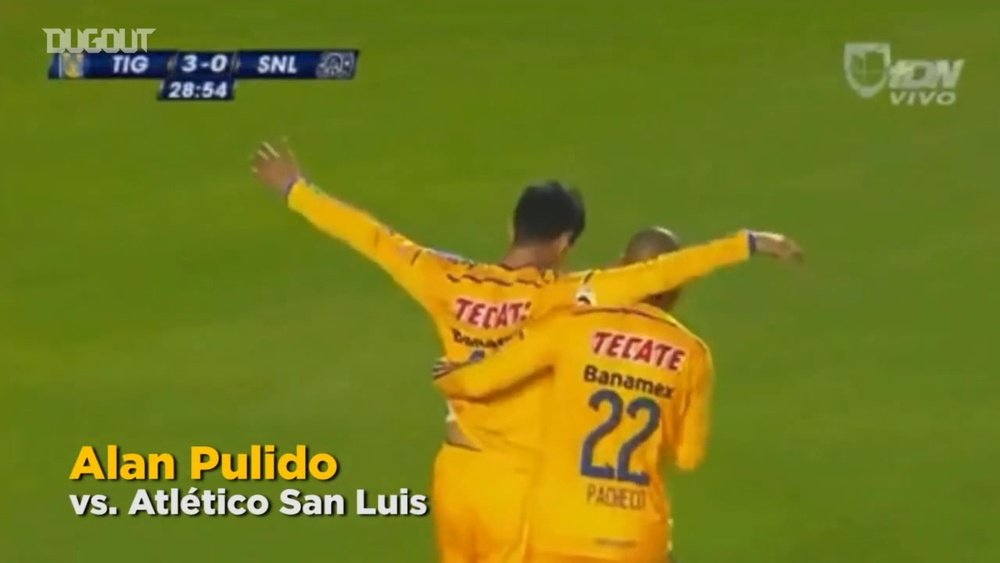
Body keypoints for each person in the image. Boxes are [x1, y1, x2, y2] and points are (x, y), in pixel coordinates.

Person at [250, 141, 802, 562]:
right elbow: (652, 276)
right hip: (519, 492)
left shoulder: (446, 278)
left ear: (511, 225)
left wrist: (297, 189)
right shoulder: (563, 298)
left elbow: (374, 238)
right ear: (565, 244)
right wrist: (746, 243)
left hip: (455, 476)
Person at [435, 228, 718, 563]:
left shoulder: (572, 326)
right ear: (679, 289)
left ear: (619, 267)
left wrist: (455, 374)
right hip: (635, 536)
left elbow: (483, 381)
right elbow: (688, 457)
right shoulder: (691, 353)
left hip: (558, 530)